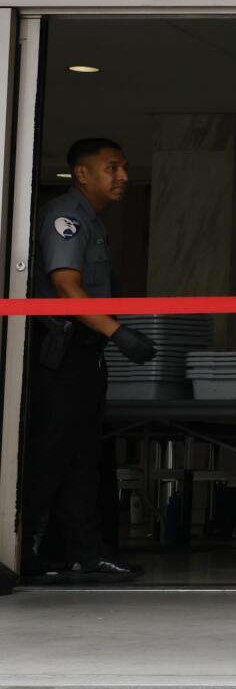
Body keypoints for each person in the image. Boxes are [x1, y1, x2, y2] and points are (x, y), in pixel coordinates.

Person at [22, 138, 153, 584]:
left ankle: (86, 552)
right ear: (82, 173)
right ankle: (22, 549)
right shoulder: (65, 218)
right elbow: (66, 288)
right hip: (64, 350)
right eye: (112, 168)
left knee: (83, 457)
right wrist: (118, 332)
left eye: (124, 168)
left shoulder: (92, 222)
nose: (123, 177)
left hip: (87, 352)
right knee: (52, 452)